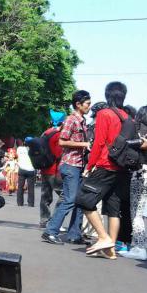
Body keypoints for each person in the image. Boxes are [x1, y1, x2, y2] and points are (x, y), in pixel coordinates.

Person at [75, 82, 130, 258]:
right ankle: (110, 250)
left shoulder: (104, 114)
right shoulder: (127, 117)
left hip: (105, 164)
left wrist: (89, 166)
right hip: (121, 167)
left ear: (108, 95)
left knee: (83, 199)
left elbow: (99, 143)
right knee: (113, 208)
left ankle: (104, 237)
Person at [42, 91, 91, 244]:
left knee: (78, 201)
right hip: (70, 165)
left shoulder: (82, 120)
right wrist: (84, 144)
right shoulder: (71, 120)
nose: (89, 107)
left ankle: (74, 234)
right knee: (70, 200)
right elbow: (62, 141)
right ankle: (50, 231)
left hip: (78, 165)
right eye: (87, 104)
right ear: (78, 104)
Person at [120, 105, 147, 260]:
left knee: (137, 212)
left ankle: (139, 247)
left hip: (140, 171)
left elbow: (142, 144)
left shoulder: (141, 128)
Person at [39, 111, 66, 228]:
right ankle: (55, 222)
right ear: (62, 122)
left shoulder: (45, 133)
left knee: (45, 196)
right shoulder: (58, 134)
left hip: (44, 168)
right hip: (55, 170)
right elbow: (59, 153)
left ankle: (44, 220)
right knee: (64, 195)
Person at [16, 139, 36, 207]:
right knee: (31, 187)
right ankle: (31, 203)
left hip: (22, 168)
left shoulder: (19, 149)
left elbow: (17, 156)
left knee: (20, 186)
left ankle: (20, 203)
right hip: (31, 169)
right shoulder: (34, 149)